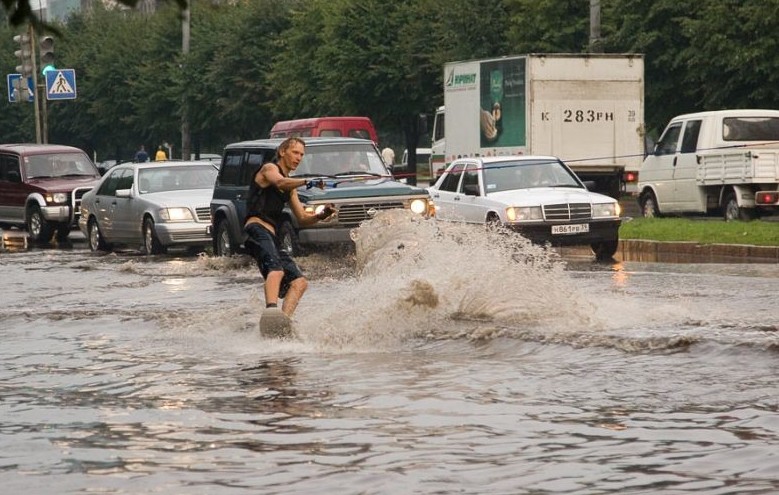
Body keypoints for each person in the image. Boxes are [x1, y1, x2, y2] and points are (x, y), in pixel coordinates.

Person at [243, 137, 335, 318]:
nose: (298, 158)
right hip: (256, 229)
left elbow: (302, 218)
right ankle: (271, 312)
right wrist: (308, 181)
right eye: (295, 152)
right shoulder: (269, 169)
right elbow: (279, 182)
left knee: (299, 283)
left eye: (301, 154)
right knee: (276, 270)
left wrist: (321, 215)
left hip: (273, 237)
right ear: (282, 152)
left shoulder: (290, 188)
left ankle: (283, 321)